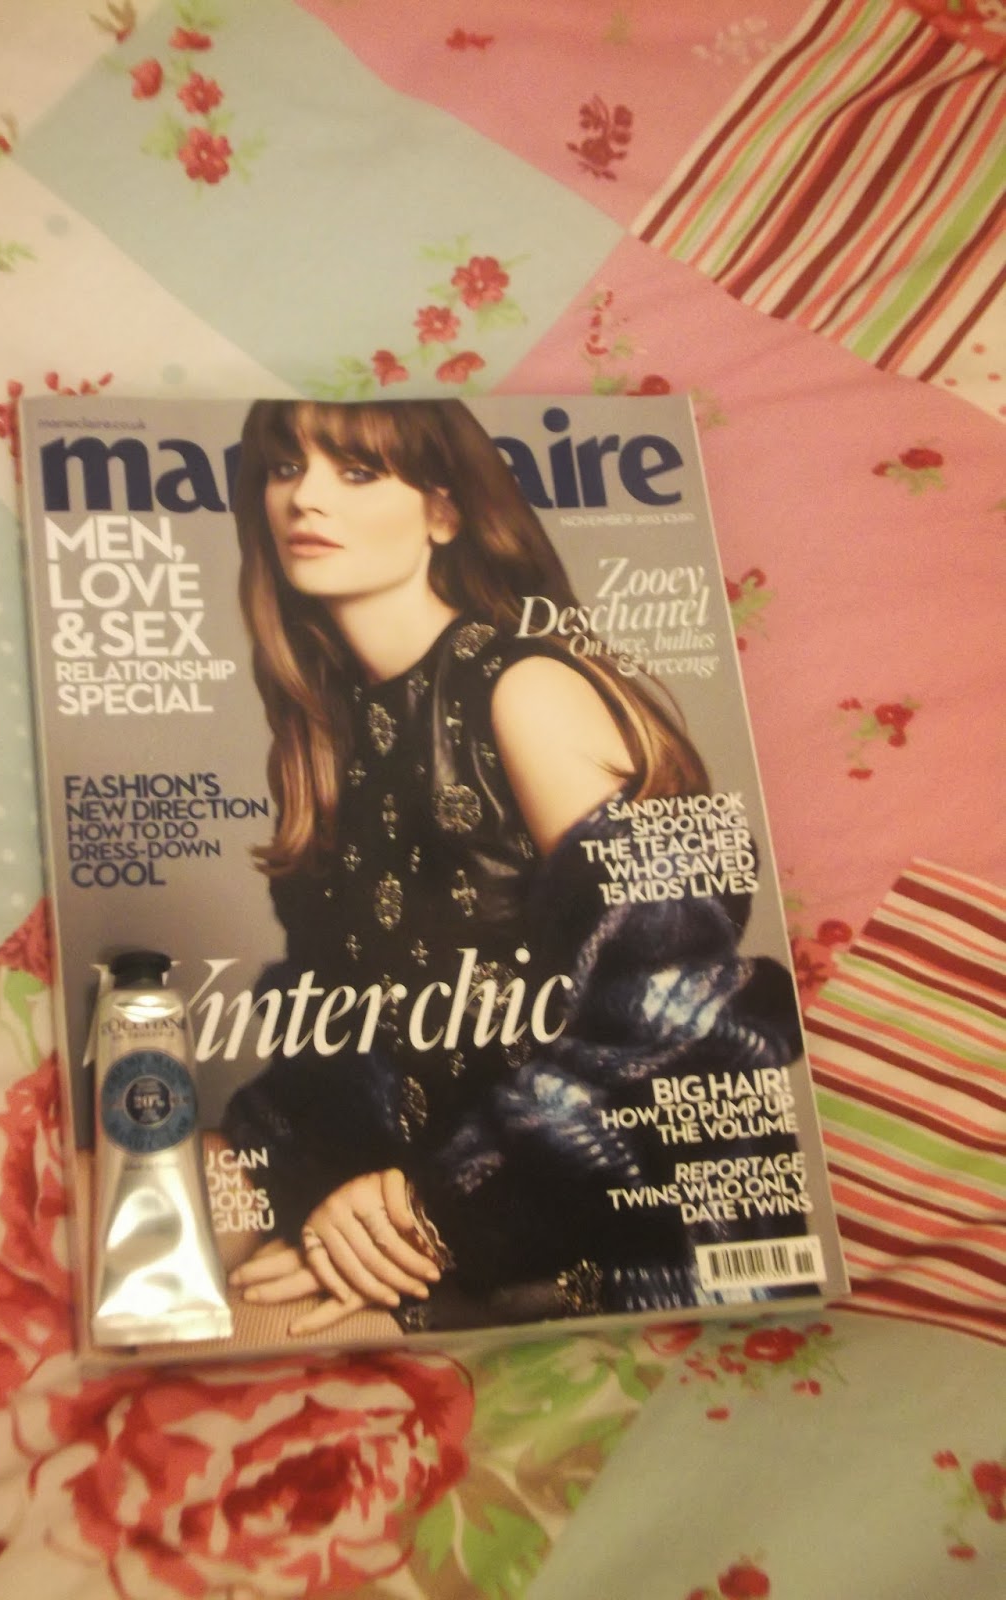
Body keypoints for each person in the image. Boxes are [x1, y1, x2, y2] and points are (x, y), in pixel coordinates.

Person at [222, 398, 804, 1335]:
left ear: (442, 512)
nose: (304, 499)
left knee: (238, 1315)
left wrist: (426, 1211)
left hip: (626, 1252)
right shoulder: (332, 735)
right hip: (430, 1212)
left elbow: (696, 1031)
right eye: (285, 467)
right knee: (139, 1198)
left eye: (356, 472)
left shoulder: (524, 689)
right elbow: (347, 1037)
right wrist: (271, 1173)